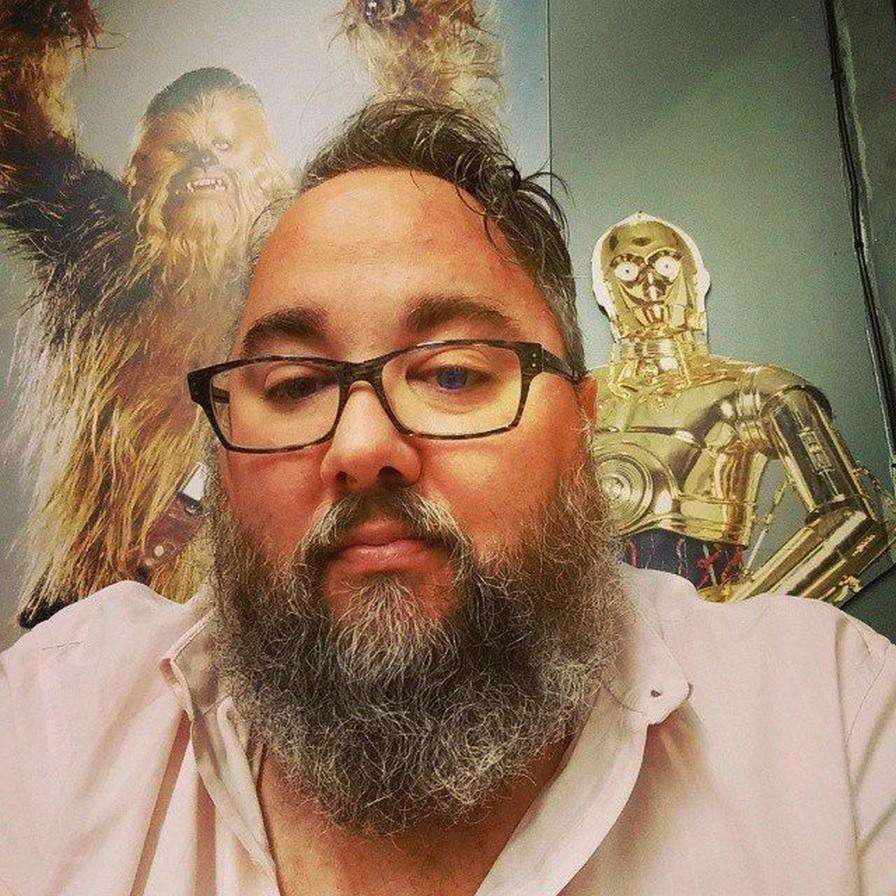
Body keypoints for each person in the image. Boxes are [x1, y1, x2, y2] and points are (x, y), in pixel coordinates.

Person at [1, 100, 894, 896]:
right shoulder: (50, 734)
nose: (360, 447)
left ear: (584, 428)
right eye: (294, 384)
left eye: (454, 373)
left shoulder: (831, 730)